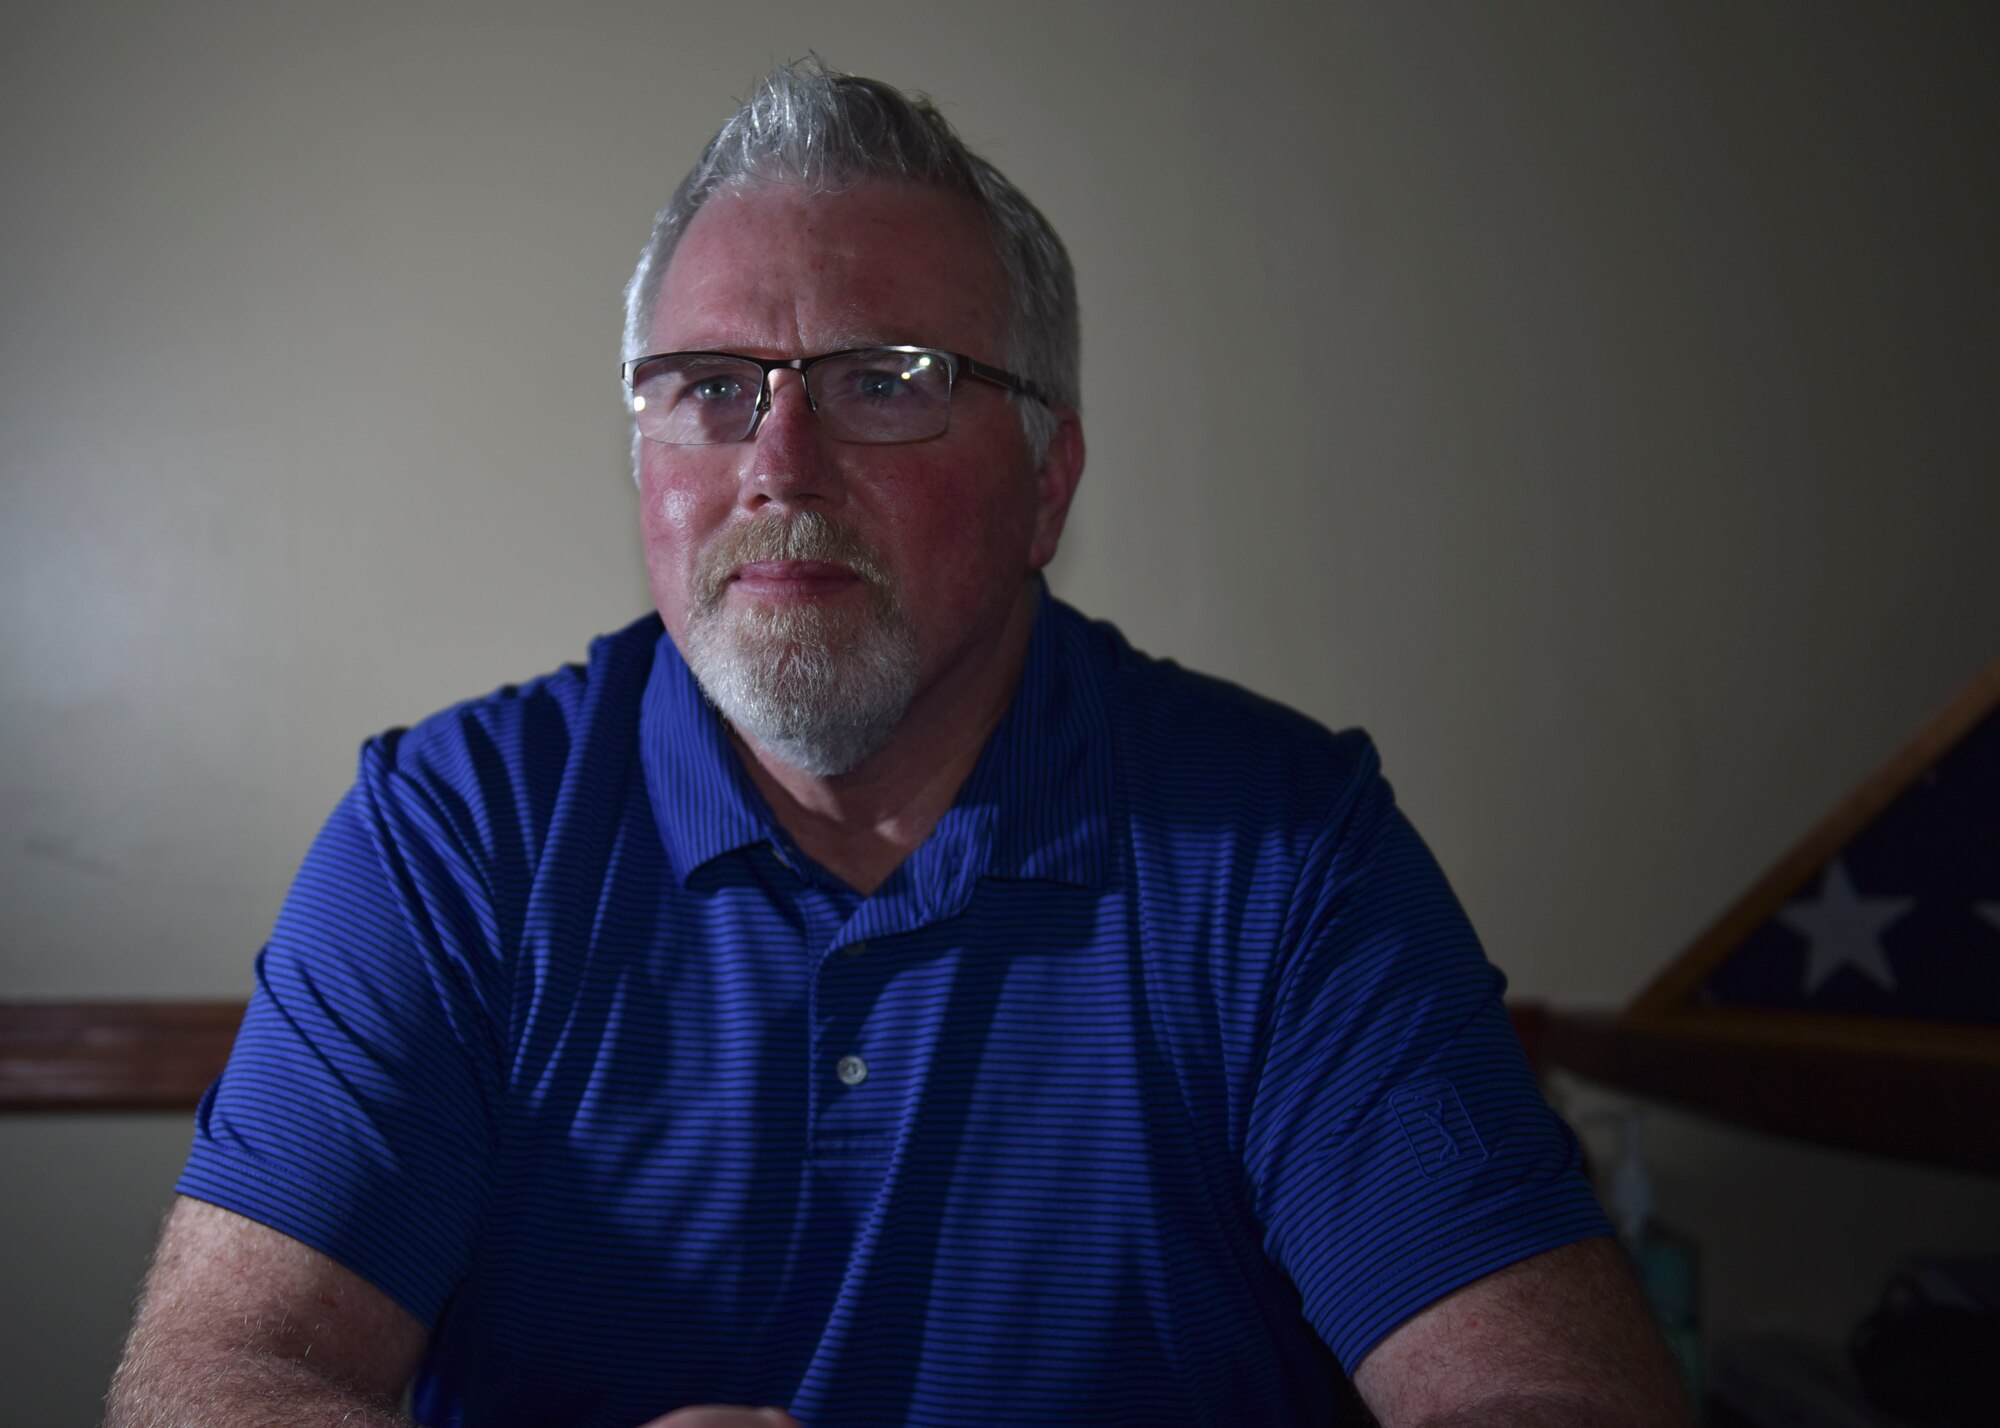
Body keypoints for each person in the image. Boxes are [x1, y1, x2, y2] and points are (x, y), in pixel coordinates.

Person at [108, 60, 1689, 1428]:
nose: (777, 464)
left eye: (886, 383)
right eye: (712, 387)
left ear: (1046, 482)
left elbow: (1552, 1395)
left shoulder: (1282, 850)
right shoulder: (451, 836)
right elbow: (210, 1376)